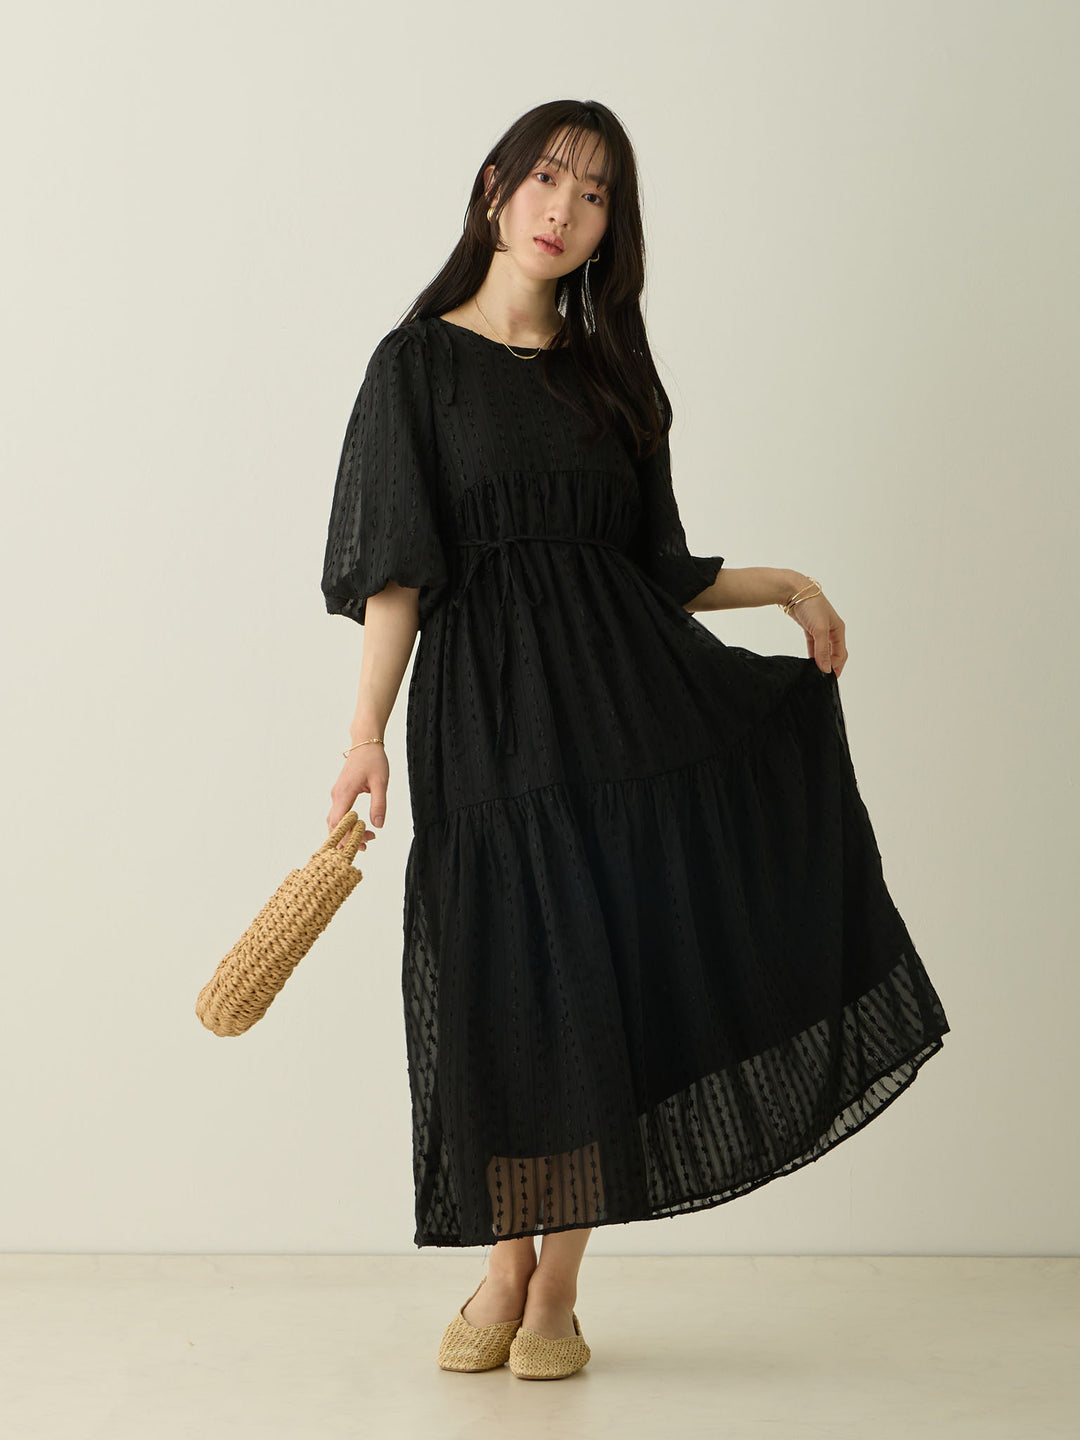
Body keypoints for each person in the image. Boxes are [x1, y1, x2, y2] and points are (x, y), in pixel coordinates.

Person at [320, 99, 950, 1378]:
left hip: (622, 710)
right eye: (548, 178)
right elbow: (397, 573)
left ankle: (554, 1286)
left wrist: (787, 585)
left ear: (615, 228)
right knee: (506, 980)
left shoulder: (612, 378)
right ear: (494, 186)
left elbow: (653, 570)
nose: (564, 209)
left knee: (599, 976)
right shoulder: (415, 367)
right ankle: (504, 1262)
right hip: (485, 719)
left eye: (596, 194)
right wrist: (364, 735)